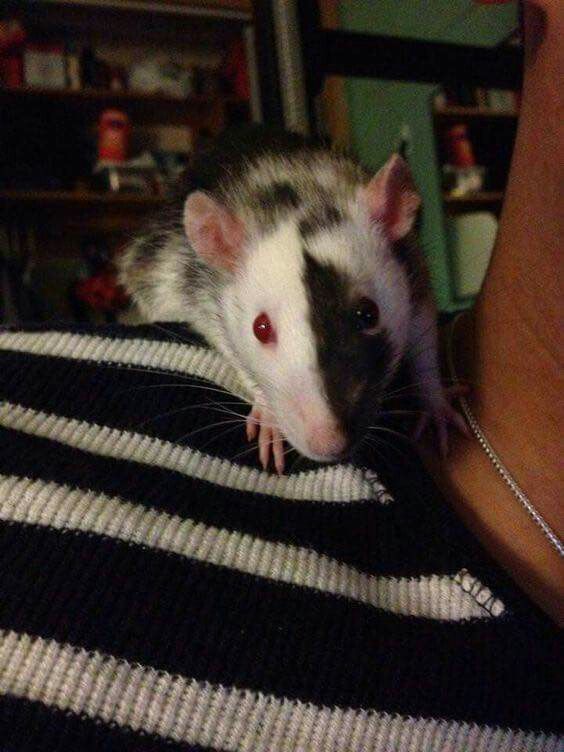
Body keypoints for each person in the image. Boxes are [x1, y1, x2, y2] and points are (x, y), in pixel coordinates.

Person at [0, 2, 561, 750]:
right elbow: (198, 301)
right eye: (263, 332)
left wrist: (429, 392)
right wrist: (263, 389)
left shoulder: (389, 270)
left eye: (364, 318)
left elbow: (415, 312)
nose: (326, 434)